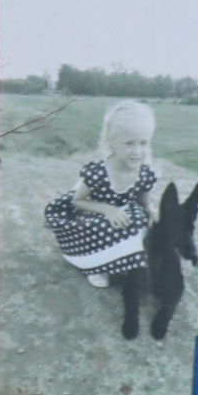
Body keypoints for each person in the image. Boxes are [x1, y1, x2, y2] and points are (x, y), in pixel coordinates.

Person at [45, 99, 155, 288]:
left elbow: (144, 203)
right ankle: (95, 266)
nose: (138, 152)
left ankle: (122, 259)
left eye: (143, 143)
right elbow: (77, 201)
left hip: (123, 214)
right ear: (112, 143)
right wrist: (107, 209)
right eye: (129, 143)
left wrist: (152, 211)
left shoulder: (143, 173)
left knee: (138, 220)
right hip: (93, 213)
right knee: (102, 226)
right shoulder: (99, 173)